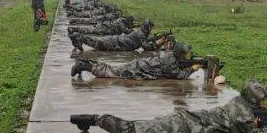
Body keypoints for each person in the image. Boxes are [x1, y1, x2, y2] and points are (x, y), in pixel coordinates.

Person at [70, 79, 267, 133]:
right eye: (262, 101)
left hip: (185, 120)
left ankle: (93, 119)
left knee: (135, 126)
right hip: (184, 130)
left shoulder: (238, 104)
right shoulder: (243, 115)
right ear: (253, 100)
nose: (265, 105)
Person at [70, 42, 204, 80]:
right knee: (111, 72)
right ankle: (83, 66)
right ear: (180, 53)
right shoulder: (170, 60)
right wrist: (192, 68)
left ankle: (84, 63)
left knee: (112, 69)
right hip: (137, 70)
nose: (188, 55)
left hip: (139, 66)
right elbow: (178, 75)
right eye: (186, 53)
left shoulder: (172, 56)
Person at [69, 20, 160, 52]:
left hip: (117, 41)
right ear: (147, 27)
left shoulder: (141, 32)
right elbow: (145, 47)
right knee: (96, 43)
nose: (151, 29)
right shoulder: (141, 34)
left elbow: (145, 40)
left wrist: (153, 39)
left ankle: (78, 37)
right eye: (150, 27)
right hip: (116, 43)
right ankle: (78, 37)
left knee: (96, 42)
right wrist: (156, 44)